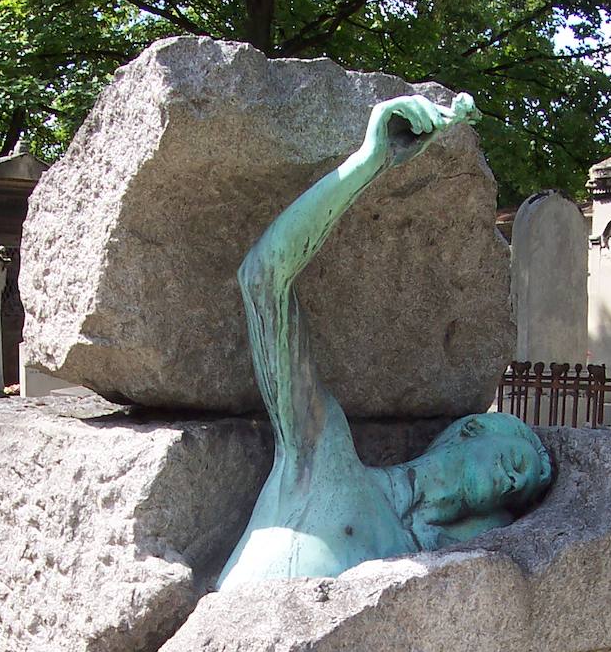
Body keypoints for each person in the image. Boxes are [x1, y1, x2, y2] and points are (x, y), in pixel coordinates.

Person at [218, 93, 552, 591]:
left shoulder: (414, 557)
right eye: (516, 462)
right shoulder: (324, 454)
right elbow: (263, 279)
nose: (514, 483)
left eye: (519, 492)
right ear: (470, 431)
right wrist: (369, 162)